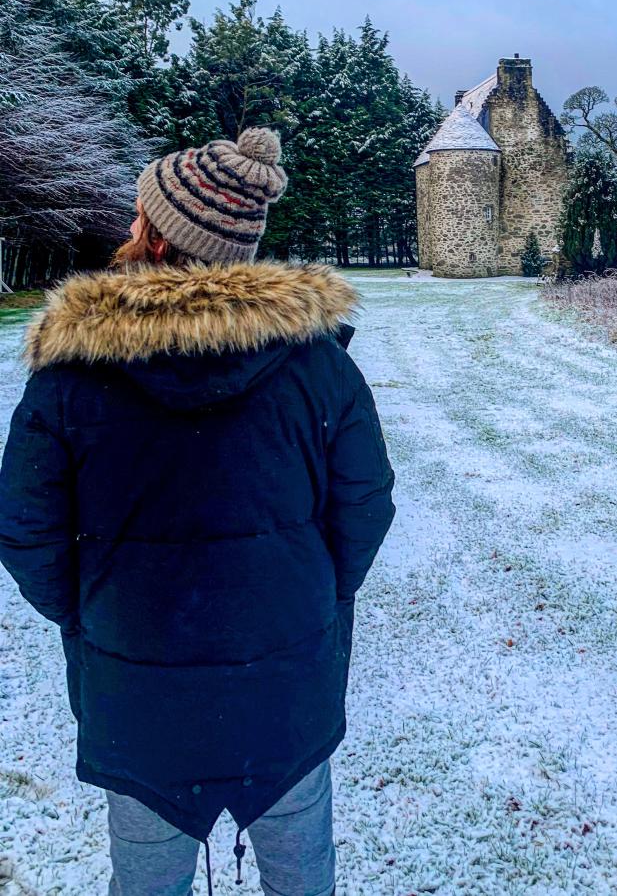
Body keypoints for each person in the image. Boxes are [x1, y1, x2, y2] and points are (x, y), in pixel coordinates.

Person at [0, 127, 395, 896]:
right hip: (285, 685)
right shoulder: (320, 367)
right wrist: (312, 597)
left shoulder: (71, 373)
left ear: (152, 233)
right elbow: (365, 509)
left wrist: (91, 615)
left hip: (138, 693)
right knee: (301, 878)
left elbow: (25, 529)